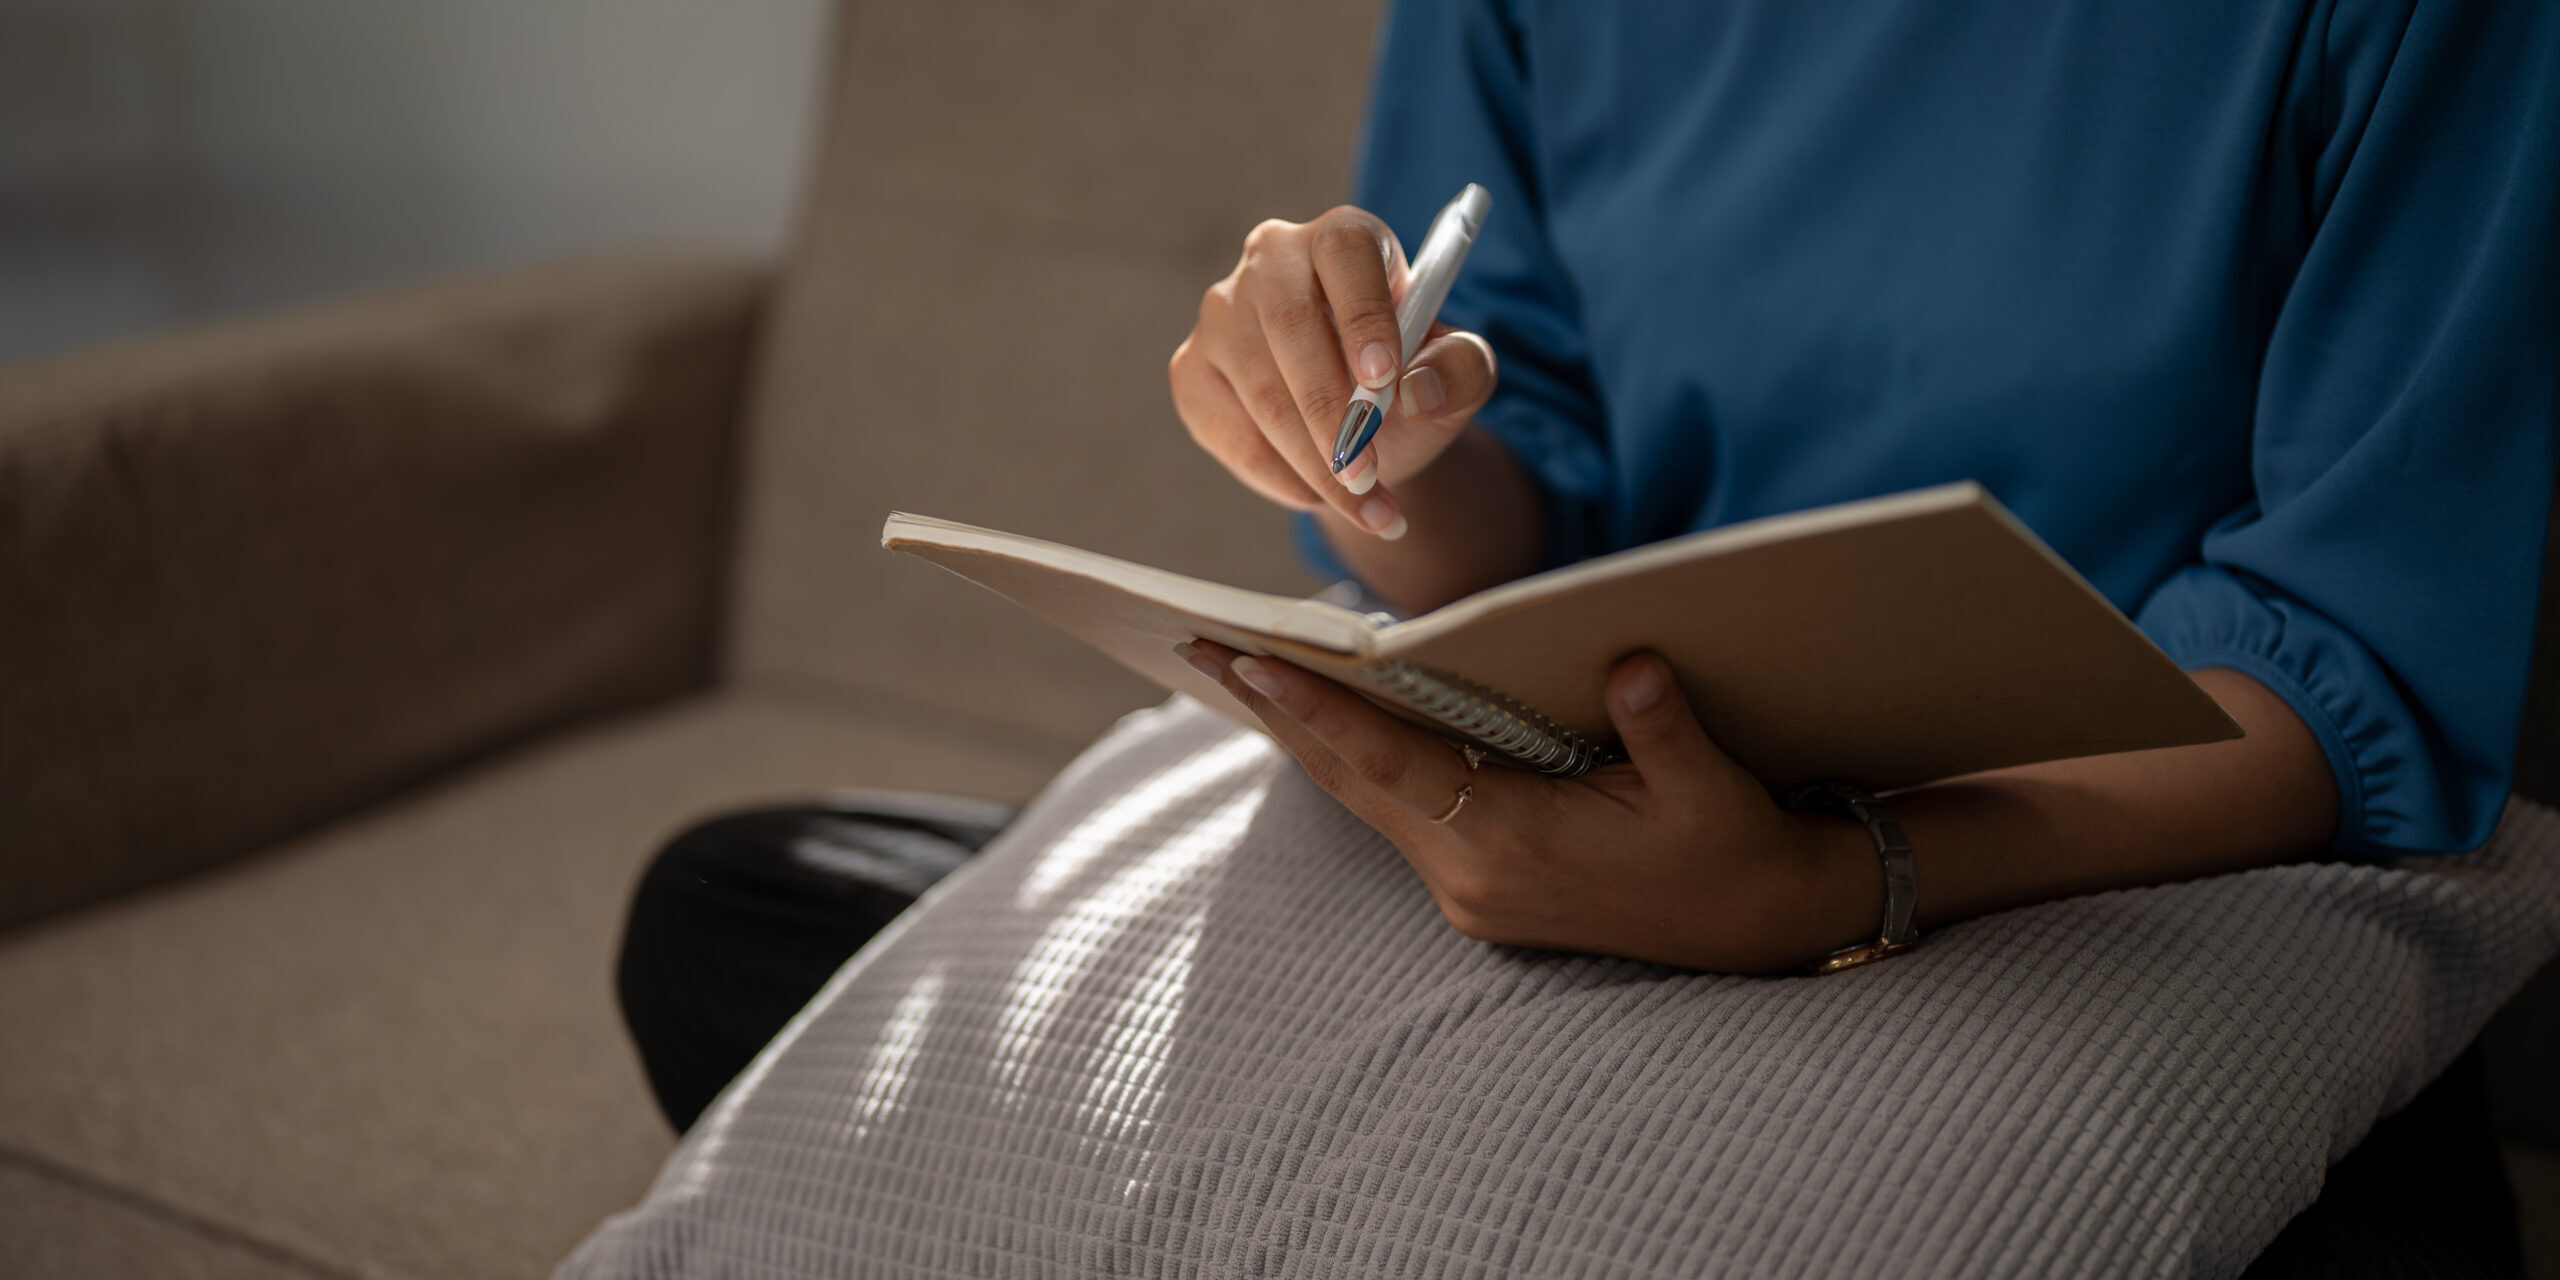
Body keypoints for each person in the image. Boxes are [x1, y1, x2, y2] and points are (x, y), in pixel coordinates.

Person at [618, 1, 2554, 1270]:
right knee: (731, 904)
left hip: (2119, 850)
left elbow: (2345, 649)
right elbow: (1504, 485)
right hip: (1605, 768)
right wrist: (1377, 445)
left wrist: (1847, 874)